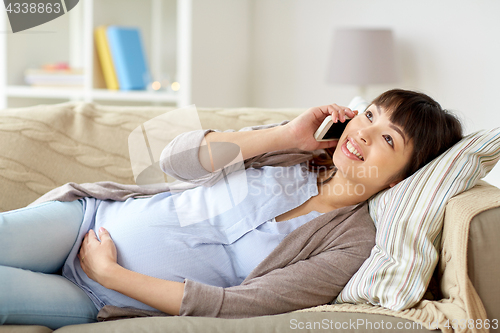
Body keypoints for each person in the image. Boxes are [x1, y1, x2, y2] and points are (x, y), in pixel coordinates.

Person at [0, 89, 463, 329]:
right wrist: (285, 135)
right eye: (370, 115)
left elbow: (241, 306)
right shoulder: (293, 152)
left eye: (387, 138)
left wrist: (111, 276)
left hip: (107, 297)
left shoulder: (353, 241)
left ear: (404, 176)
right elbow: (173, 158)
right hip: (87, 219)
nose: (363, 133)